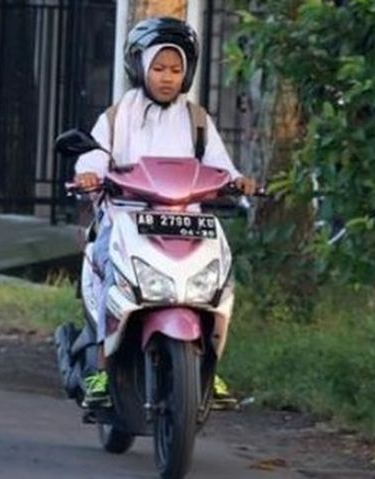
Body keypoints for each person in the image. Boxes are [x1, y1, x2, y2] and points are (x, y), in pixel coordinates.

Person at [74, 17, 255, 407]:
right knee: (109, 277)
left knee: (217, 281)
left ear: (187, 72)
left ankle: (207, 369)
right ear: (139, 67)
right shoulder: (117, 117)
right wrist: (88, 173)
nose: (167, 77)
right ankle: (102, 368)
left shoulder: (197, 120)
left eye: (175, 69)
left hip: (187, 222)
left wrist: (238, 181)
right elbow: (94, 154)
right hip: (126, 218)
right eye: (158, 68)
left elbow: (220, 165)